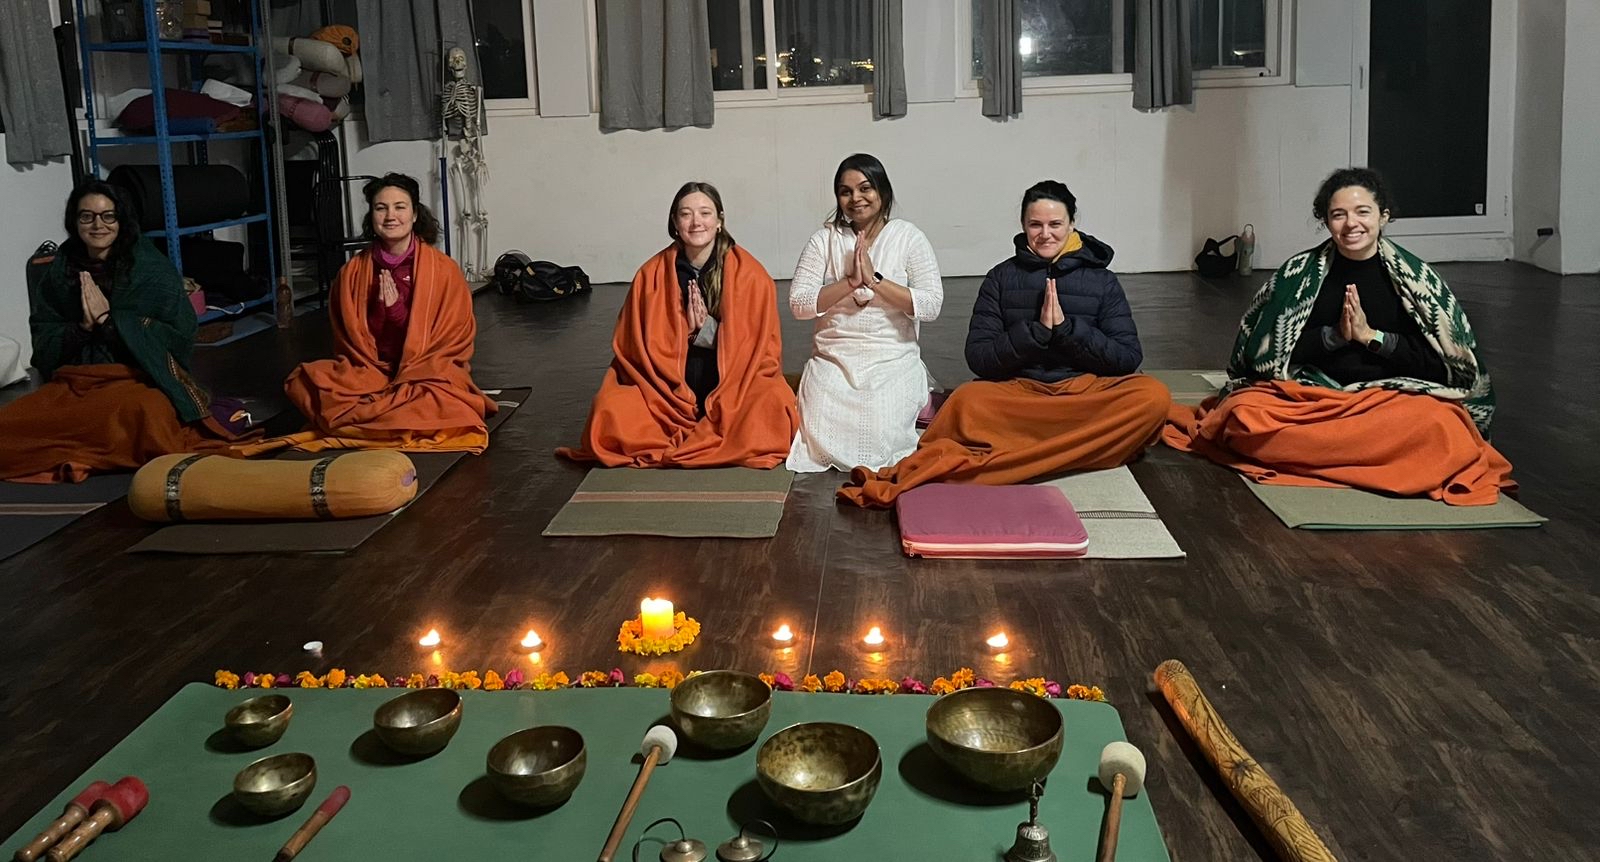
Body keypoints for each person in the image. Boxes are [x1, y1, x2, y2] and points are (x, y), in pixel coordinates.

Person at [1163, 167, 1513, 505]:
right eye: (1338, 215)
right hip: (1313, 397)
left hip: (1388, 400)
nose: (1351, 224)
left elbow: (1442, 367)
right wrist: (1335, 337)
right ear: (1326, 221)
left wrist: (1371, 337)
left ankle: (1329, 457)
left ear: (1384, 216)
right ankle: (1378, 462)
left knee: (1443, 426)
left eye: (1363, 212)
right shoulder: (1296, 276)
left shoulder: (1418, 281)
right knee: (1243, 415)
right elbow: (1263, 358)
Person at [839, 180, 1170, 507]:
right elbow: (980, 359)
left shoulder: (1102, 280)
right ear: (1023, 226)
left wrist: (1068, 330)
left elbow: (1127, 358)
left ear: (1072, 223)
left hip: (1083, 394)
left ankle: (1023, 456)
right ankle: (1081, 450)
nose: (1045, 234)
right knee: (967, 401)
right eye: (1035, 225)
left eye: (1056, 224)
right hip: (1021, 396)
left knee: (1152, 397)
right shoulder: (1001, 278)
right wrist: (1035, 333)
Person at [0, 180, 245, 482]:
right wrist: (82, 328)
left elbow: (180, 335)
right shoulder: (60, 270)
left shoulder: (150, 269)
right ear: (74, 222)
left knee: (146, 414)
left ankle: (89, 443)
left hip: (136, 379)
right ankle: (93, 444)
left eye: (108, 216)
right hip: (77, 383)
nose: (97, 225)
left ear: (121, 220)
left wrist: (111, 322)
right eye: (86, 216)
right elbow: (43, 339)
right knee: (9, 423)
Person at [241, 172, 497, 454]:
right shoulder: (352, 273)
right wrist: (381, 314)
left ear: (414, 215)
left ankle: (374, 422)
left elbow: (451, 340)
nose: (390, 216)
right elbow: (352, 341)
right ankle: (392, 422)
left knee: (448, 401)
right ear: (372, 216)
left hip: (427, 369)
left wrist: (397, 311)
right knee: (307, 381)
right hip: (370, 368)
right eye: (381, 208)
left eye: (400, 207)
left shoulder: (444, 271)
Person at [558, 181, 797, 468]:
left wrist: (706, 331)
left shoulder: (751, 275)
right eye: (686, 214)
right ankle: (691, 431)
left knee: (773, 403)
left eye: (705, 213)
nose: (696, 222)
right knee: (610, 410)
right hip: (663, 388)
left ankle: (709, 430)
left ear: (720, 221)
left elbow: (758, 349)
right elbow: (633, 346)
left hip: (734, 385)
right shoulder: (651, 275)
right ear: (674, 222)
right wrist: (679, 331)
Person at [787, 154, 943, 472]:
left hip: (893, 359)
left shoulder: (909, 237)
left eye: (865, 188)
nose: (855, 198)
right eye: (845, 192)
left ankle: (917, 402)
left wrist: (875, 281)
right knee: (819, 430)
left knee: (880, 428)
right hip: (833, 358)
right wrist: (848, 283)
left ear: (882, 191)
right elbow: (799, 305)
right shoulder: (823, 240)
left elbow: (930, 306)